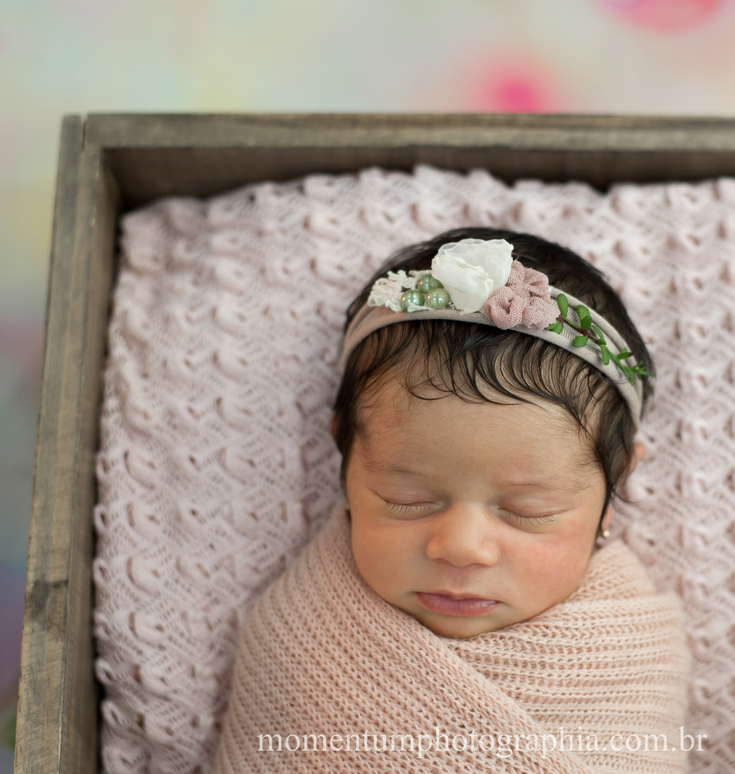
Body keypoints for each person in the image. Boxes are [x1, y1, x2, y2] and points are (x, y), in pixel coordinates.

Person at [214, 228, 690, 773]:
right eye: (406, 498)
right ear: (344, 454)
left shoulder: (632, 657)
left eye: (526, 510)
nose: (461, 548)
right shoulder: (297, 646)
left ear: (614, 488)